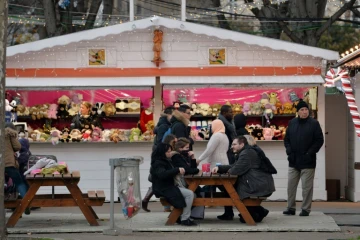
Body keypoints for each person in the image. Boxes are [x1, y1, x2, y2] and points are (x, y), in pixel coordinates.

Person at [212, 136, 275, 222]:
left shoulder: (246, 153)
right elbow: (235, 166)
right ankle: (258, 211)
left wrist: (228, 171)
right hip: (257, 183)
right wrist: (220, 168)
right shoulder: (246, 152)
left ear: (241, 145)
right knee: (228, 188)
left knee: (229, 188)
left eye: (234, 144)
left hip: (257, 185)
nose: (232, 146)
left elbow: (235, 170)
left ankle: (255, 212)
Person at [283, 99, 324, 217]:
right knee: (291, 186)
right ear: (298, 112)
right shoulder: (292, 123)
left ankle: (305, 209)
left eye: (306, 109)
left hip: (308, 161)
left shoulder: (314, 123)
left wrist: (310, 153)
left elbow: (319, 140)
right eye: (302, 110)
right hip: (293, 160)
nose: (305, 112)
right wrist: (289, 152)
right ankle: (290, 208)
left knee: (307, 187)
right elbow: (287, 140)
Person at [151, 143, 197, 226]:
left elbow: (190, 169)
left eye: (170, 151)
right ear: (162, 152)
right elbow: (162, 174)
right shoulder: (158, 163)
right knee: (190, 194)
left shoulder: (166, 160)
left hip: (168, 187)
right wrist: (177, 170)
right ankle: (185, 218)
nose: (170, 153)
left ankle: (181, 216)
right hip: (164, 188)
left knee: (193, 194)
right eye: (168, 152)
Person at [142, 134, 177, 212]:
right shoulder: (164, 151)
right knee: (159, 185)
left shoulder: (161, 149)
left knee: (156, 186)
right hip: (158, 174)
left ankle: (146, 200)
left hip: (156, 173)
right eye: (174, 141)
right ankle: (167, 207)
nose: (176, 143)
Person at [5, 122, 30, 215]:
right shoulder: (9, 133)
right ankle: (26, 204)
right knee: (19, 182)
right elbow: (18, 146)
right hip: (8, 163)